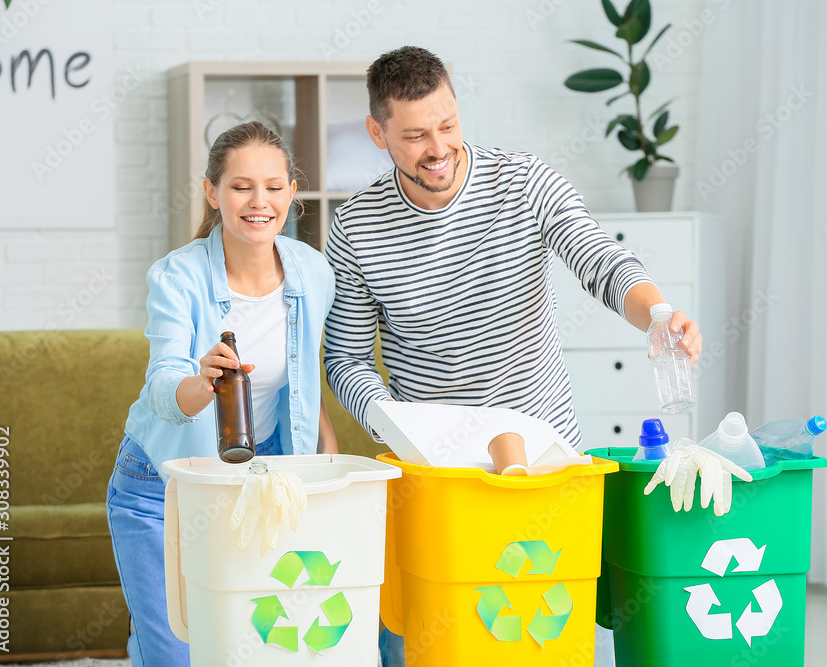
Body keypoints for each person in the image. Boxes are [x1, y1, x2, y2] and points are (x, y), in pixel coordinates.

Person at [322, 47, 702, 666]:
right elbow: (345, 359)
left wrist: (657, 313)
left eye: (447, 125)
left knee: (540, 630)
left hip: (547, 458)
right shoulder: (358, 225)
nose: (437, 148)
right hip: (440, 472)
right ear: (377, 132)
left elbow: (600, 260)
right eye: (415, 135)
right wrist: (401, 426)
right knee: (435, 638)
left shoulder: (524, 181)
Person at [106, 121, 337, 667]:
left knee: (261, 646)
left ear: (291, 191)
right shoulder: (176, 278)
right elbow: (164, 389)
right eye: (241, 186)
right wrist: (203, 379)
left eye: (275, 186)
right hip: (162, 487)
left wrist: (326, 472)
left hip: (254, 483)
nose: (260, 202)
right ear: (213, 192)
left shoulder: (311, 271)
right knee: (178, 655)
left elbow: (305, 387)